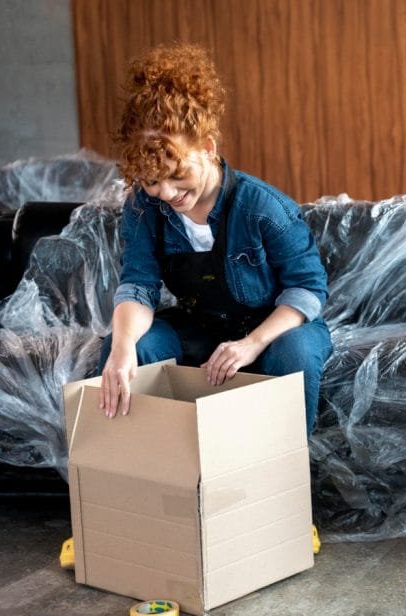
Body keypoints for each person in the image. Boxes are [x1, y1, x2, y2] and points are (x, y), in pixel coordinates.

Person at [99, 42, 332, 435]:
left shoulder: (264, 208)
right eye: (152, 181)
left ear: (208, 148)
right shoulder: (144, 207)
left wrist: (252, 343)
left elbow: (308, 289)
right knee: (128, 349)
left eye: (177, 175)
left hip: (271, 331)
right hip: (200, 328)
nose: (167, 194)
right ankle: (147, 479)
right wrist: (121, 349)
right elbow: (138, 285)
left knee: (296, 352)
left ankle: (279, 479)